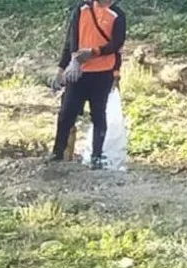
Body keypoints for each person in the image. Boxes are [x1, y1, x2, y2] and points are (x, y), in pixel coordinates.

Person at [50, 0, 125, 167]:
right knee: (66, 113)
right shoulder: (82, 9)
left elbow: (116, 44)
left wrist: (95, 53)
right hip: (78, 72)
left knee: (98, 113)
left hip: (102, 73)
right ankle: (58, 152)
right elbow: (71, 40)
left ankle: (96, 156)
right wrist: (63, 68)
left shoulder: (117, 15)